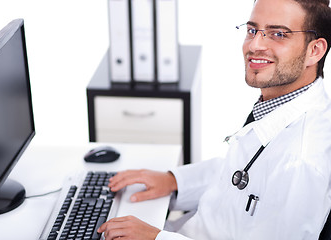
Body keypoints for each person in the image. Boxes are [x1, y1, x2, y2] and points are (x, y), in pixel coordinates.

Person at [98, 0, 331, 239]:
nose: (255, 45)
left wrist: (156, 237)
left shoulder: (302, 162)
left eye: (278, 34)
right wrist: (173, 181)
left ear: (314, 50)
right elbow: (240, 175)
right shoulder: (279, 103)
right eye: (252, 30)